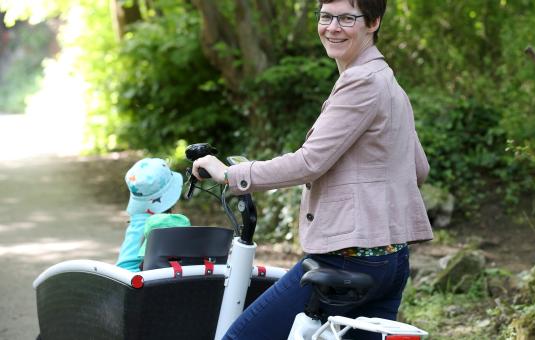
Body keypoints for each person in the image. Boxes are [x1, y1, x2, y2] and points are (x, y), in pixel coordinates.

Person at [192, 0, 432, 338]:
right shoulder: (388, 82)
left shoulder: (361, 82)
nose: (332, 27)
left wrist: (228, 175)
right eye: (326, 16)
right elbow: (418, 168)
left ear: (373, 22)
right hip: (391, 262)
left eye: (347, 18)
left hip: (347, 258)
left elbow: (309, 162)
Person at [116, 158, 184, 272]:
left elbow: (125, 264)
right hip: (153, 282)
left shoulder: (137, 221)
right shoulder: (176, 223)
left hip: (125, 280)